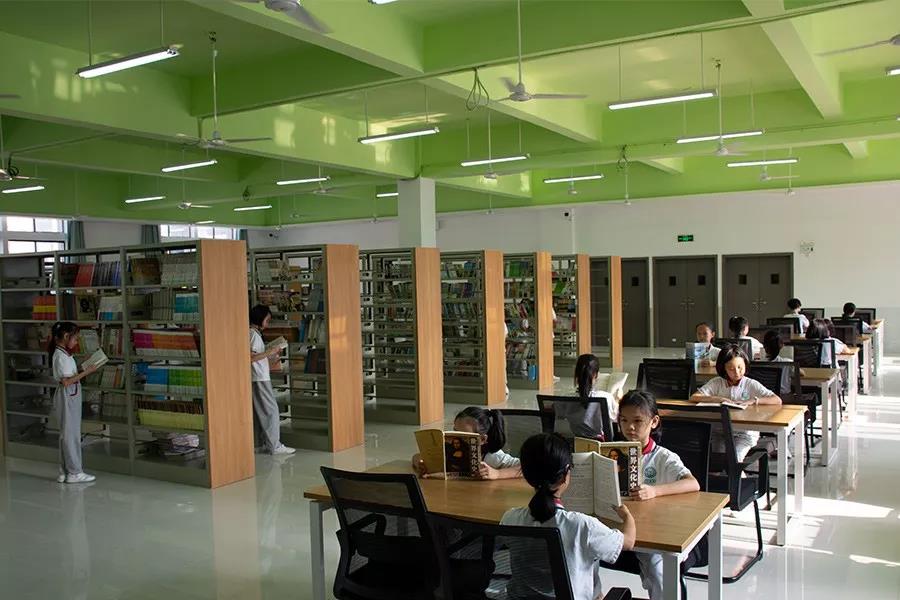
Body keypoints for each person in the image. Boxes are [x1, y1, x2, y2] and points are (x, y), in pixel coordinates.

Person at [500, 433, 635, 600]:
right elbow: (628, 542)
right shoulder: (582, 525)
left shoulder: (510, 518)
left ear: (527, 476)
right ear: (566, 474)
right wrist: (627, 517)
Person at [616, 390, 699, 600]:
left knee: (656, 568)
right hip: (618, 527)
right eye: (624, 420)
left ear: (654, 422)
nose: (630, 427)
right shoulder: (612, 454)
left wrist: (655, 491)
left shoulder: (663, 457)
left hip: (653, 533)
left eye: (637, 421)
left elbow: (693, 483)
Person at [690, 344, 781, 460]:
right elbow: (695, 397)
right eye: (731, 369)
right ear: (723, 368)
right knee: (718, 460)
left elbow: (777, 400)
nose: (737, 372)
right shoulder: (717, 382)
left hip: (744, 434)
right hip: (720, 432)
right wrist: (719, 399)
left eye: (740, 367)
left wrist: (754, 400)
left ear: (745, 365)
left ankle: (737, 471)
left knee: (734, 459)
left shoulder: (750, 384)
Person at [49, 322, 99, 483]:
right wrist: (87, 372)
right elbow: (66, 381)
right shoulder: (60, 355)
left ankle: (65, 471)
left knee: (67, 434)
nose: (76, 342)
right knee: (71, 435)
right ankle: (74, 472)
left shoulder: (63, 353)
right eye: (75, 339)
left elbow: (69, 374)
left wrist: (82, 366)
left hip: (70, 393)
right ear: (66, 336)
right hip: (68, 394)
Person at [412, 407, 521, 479]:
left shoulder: (492, 457)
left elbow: (526, 467)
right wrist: (420, 463)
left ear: (482, 440)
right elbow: (416, 456)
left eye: (463, 436)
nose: (457, 439)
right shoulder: (450, 448)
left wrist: (497, 474)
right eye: (455, 432)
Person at [249, 305, 295, 456]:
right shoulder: (253, 334)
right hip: (259, 378)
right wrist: (271, 351)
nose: (267, 324)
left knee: (259, 412)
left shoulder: (252, 333)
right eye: (267, 320)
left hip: (258, 377)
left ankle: (260, 444)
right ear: (259, 319)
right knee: (271, 411)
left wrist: (271, 354)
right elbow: (251, 357)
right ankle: (275, 445)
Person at [554, 354, 617, 440]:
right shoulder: (606, 397)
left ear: (576, 374)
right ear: (596, 375)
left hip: (576, 442)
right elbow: (617, 417)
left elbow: (555, 411)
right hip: (601, 444)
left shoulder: (566, 398)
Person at [763, 329, 793, 395]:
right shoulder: (788, 363)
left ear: (764, 346)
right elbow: (801, 373)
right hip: (784, 397)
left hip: (766, 396)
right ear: (781, 345)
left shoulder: (759, 364)